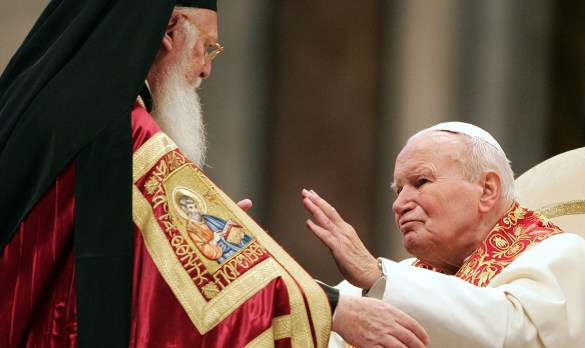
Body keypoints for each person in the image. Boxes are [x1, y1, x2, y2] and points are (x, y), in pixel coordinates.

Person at [0, 1, 428, 347]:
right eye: (207, 47)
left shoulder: (48, 107)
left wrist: (205, 231)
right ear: (169, 32)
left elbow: (114, 261)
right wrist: (333, 307)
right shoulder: (120, 131)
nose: (206, 69)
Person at [302, 121, 585, 347]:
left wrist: (378, 278)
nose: (399, 204)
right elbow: (302, 311)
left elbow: (515, 336)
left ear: (487, 190)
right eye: (398, 190)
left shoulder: (564, 257)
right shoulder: (401, 277)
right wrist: (256, 257)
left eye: (421, 182)